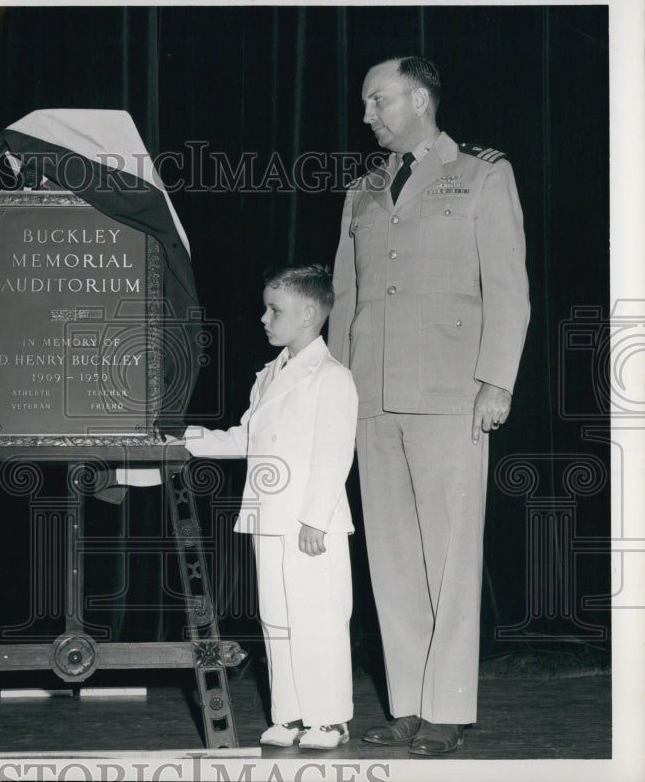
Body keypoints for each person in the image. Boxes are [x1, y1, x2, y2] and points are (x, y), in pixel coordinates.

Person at [329, 56, 530, 755]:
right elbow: (347, 300)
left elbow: (508, 286)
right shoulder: (363, 190)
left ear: (418, 99)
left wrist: (496, 380)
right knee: (391, 559)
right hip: (372, 396)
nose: (367, 116)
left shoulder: (482, 173)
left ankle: (447, 708)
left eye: (376, 101)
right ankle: (409, 705)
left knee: (449, 555)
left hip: (451, 395)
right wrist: (335, 392)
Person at [175, 264, 358, 750]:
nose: (263, 318)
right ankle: (293, 714)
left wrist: (315, 519)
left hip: (308, 523)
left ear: (308, 315)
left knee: (317, 615)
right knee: (276, 617)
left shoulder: (333, 378)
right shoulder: (269, 375)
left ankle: (330, 718)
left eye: (274, 309)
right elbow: (247, 438)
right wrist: (188, 440)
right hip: (268, 517)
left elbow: (335, 453)